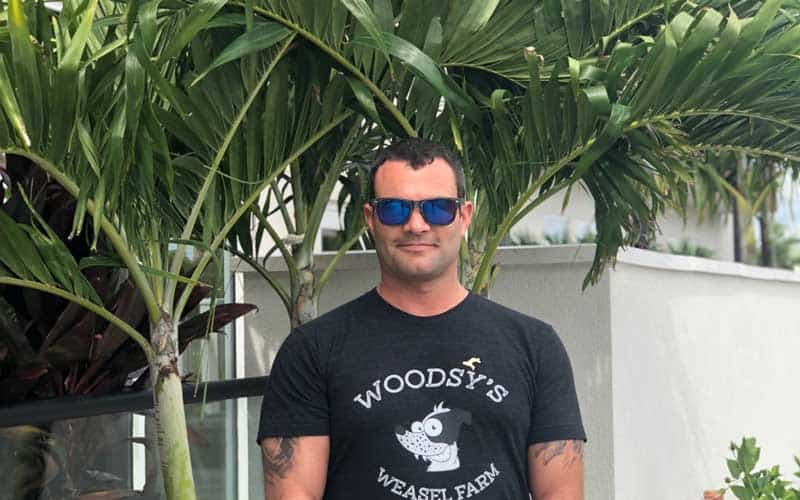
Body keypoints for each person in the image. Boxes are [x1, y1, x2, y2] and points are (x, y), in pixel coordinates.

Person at [257, 138, 587, 500]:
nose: (416, 225)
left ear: (464, 217)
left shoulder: (535, 346)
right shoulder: (312, 351)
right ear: (371, 219)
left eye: (438, 209)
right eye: (395, 209)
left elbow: (560, 493)